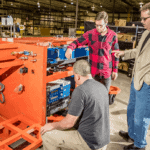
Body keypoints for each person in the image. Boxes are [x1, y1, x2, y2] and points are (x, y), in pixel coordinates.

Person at [41, 59, 110, 150]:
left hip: (90, 143)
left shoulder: (80, 90)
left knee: (47, 135)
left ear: (77, 76)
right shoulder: (101, 86)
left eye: (74, 76)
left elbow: (68, 123)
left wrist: (51, 125)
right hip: (103, 140)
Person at [113, 2, 150, 150]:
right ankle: (133, 134)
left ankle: (139, 145)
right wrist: (124, 53)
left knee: (142, 116)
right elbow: (137, 51)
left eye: (144, 19)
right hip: (136, 78)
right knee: (131, 110)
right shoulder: (147, 33)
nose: (141, 22)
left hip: (146, 83)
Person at [65, 11, 119, 92]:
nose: (98, 28)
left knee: (104, 97)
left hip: (106, 72)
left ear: (106, 23)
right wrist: (70, 48)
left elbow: (115, 54)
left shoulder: (113, 35)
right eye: (96, 25)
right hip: (94, 72)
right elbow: (77, 41)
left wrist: (115, 70)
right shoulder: (90, 34)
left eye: (101, 25)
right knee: (92, 96)